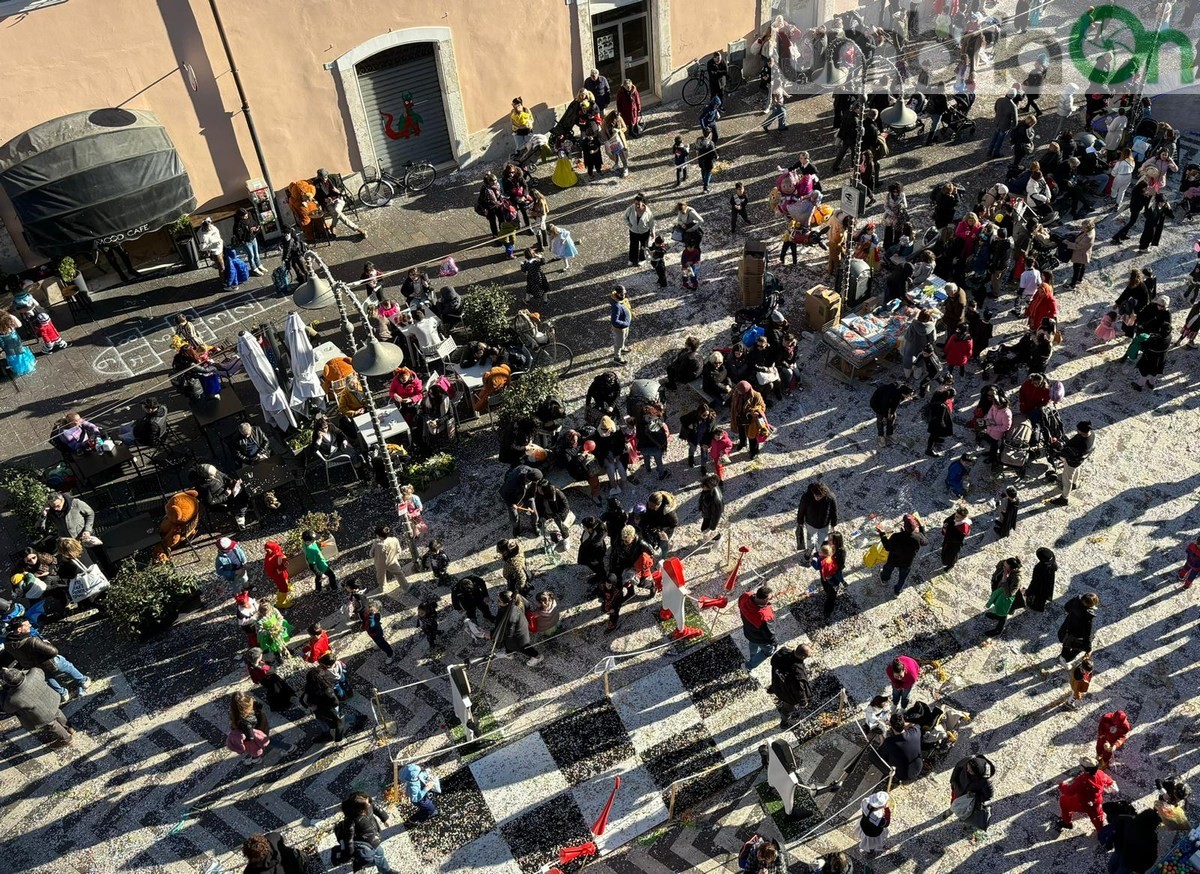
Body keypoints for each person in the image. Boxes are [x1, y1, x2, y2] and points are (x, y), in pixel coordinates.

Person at [4, 617, 90, 701]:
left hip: (34, 666)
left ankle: (63, 694)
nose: (30, 625)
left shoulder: (8, 644)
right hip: (49, 662)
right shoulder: (32, 641)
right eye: (27, 625)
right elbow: (53, 652)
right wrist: (46, 643)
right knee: (67, 666)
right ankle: (83, 681)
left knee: (48, 678)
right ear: (19, 629)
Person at [1, 666, 75, 747]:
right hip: (51, 699)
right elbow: (37, 672)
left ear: (9, 684)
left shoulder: (14, 698)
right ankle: (69, 728)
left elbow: (7, 709)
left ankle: (67, 739)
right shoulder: (35, 672)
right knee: (57, 712)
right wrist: (11, 672)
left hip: (42, 713)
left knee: (52, 724)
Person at [1057, 756, 1118, 832]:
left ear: (1086, 770)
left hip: (1082, 803)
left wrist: (1062, 785)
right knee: (1097, 816)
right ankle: (1101, 830)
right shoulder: (1100, 773)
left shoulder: (1082, 780)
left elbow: (1069, 792)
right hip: (1096, 801)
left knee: (1064, 801)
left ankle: (1066, 822)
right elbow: (1110, 782)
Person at [1048, 591, 1101, 672]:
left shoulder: (1075, 601)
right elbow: (1087, 634)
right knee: (1078, 647)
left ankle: (1063, 656)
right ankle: (1065, 659)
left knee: (1066, 642)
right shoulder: (1087, 617)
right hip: (1077, 635)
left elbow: (1066, 607)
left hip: (1067, 627)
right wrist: (1088, 648)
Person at [876, 514, 927, 595]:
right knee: (902, 578)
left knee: (887, 569)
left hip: (893, 559)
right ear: (915, 527)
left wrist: (882, 534)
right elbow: (925, 542)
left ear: (904, 526)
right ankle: (897, 591)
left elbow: (887, 547)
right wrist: (922, 527)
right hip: (907, 562)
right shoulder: (918, 537)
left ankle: (884, 580)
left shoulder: (896, 536)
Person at [1048, 420, 1095, 506]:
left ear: (1082, 431)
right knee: (1077, 469)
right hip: (1079, 461)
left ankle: (1064, 498)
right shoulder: (1092, 434)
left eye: (1078, 430)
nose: (1077, 431)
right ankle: (1075, 483)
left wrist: (1057, 448)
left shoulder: (1082, 443)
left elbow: (1068, 452)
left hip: (1072, 462)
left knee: (1066, 479)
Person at [302, 660, 344, 743]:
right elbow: (335, 702)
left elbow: (305, 699)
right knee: (334, 720)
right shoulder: (326, 687)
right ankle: (326, 734)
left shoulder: (309, 686)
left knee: (336, 720)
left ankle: (357, 719)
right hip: (326, 709)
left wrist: (312, 706)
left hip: (321, 710)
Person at [950, 754, 997, 830]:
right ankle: (952, 809)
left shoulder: (985, 782)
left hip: (967, 800)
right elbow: (957, 768)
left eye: (970, 771)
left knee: (966, 813)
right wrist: (953, 782)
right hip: (957, 790)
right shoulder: (969, 760)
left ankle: (968, 824)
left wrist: (975, 797)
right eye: (968, 767)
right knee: (953, 802)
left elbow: (988, 796)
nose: (967, 770)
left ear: (977, 774)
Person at [495, 590, 541, 666]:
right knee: (509, 644)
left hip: (518, 634)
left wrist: (494, 634)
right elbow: (528, 606)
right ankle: (508, 654)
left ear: (507, 603)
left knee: (523, 647)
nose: (497, 602)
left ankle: (537, 656)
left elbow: (509, 632)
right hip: (521, 626)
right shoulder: (517, 597)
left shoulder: (509, 615)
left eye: (499, 601)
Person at [314, 169, 365, 238]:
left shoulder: (333, 178)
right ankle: (357, 228)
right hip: (328, 204)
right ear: (319, 177)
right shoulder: (316, 184)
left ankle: (333, 226)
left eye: (325, 177)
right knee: (337, 213)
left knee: (337, 211)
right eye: (322, 178)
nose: (324, 179)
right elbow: (317, 197)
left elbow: (342, 187)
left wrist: (338, 191)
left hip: (338, 199)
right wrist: (325, 200)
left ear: (327, 175)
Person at [244, 647, 297, 712]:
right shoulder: (261, 666)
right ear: (257, 659)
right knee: (278, 690)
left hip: (263, 681)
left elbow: (253, 676)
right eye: (260, 656)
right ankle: (285, 703)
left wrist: (256, 681)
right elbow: (271, 670)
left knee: (273, 691)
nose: (262, 656)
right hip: (271, 679)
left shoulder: (250, 665)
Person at [228, 690, 271, 766]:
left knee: (255, 748)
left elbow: (251, 737)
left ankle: (256, 759)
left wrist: (241, 738)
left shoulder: (243, 721)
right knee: (269, 741)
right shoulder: (251, 703)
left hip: (258, 734)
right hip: (262, 727)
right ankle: (288, 747)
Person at [738, 586, 777, 670]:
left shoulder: (745, 596)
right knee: (768, 652)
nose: (771, 598)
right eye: (770, 598)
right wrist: (774, 643)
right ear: (765, 600)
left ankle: (753, 655)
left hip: (748, 631)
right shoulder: (764, 616)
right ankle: (749, 666)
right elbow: (769, 633)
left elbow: (739, 603)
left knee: (752, 642)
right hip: (760, 638)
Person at [795, 482, 839, 556]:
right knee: (810, 537)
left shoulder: (830, 497)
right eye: (815, 495)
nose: (817, 498)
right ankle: (810, 548)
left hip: (824, 524)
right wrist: (800, 521)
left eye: (819, 496)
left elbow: (834, 511)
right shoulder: (806, 497)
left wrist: (833, 524)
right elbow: (801, 509)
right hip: (810, 523)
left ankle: (820, 551)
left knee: (822, 539)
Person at [879, 710, 924, 781]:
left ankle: (893, 779)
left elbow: (880, 751)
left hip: (903, 775)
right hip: (919, 766)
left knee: (875, 756)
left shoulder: (889, 742)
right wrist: (901, 724)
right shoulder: (915, 732)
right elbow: (915, 725)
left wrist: (881, 736)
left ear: (891, 726)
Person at [870, 381, 914, 447]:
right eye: (908, 395)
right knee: (880, 419)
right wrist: (886, 415)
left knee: (892, 417)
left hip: (887, 403)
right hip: (877, 404)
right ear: (903, 393)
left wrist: (892, 413)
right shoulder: (889, 394)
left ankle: (889, 434)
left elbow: (895, 404)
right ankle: (881, 436)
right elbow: (885, 405)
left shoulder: (899, 392)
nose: (908, 397)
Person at [369, 525, 406, 590]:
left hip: (380, 564)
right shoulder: (394, 540)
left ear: (378, 535)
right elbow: (399, 550)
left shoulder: (376, 544)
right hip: (392, 561)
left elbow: (371, 554)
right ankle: (405, 586)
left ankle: (383, 588)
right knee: (399, 574)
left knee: (381, 577)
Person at [623, 195, 654, 267]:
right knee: (633, 246)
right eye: (635, 203)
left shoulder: (648, 211)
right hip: (633, 232)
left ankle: (642, 259)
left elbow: (651, 223)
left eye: (638, 204)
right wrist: (629, 224)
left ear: (643, 203)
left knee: (644, 246)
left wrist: (653, 232)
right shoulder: (630, 209)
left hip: (644, 232)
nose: (637, 205)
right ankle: (631, 259)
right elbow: (624, 217)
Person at [1025, 547, 1058, 611]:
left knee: (1039, 596)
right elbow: (1055, 568)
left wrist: (1029, 591)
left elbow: (1035, 581)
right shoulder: (1051, 562)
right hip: (1049, 581)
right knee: (1044, 594)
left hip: (1041, 585)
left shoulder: (1039, 568)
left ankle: (1036, 606)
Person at [940, 505, 972, 569]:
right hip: (948, 541)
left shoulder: (963, 528)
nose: (955, 518)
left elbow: (957, 538)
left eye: (957, 517)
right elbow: (948, 520)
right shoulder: (956, 516)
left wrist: (946, 530)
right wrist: (945, 525)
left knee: (952, 556)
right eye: (955, 515)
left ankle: (951, 565)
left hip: (954, 544)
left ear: (963, 518)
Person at [610, 285, 632, 363]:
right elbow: (614, 321)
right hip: (619, 329)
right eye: (621, 294)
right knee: (618, 343)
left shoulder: (621, 300)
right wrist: (625, 323)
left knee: (624, 337)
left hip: (625, 326)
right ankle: (617, 358)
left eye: (624, 293)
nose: (624, 295)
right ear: (617, 294)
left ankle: (622, 348)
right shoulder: (616, 306)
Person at [698, 473, 724, 540]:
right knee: (704, 529)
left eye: (704, 486)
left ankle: (717, 538)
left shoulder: (716, 500)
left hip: (709, 516)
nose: (702, 487)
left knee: (705, 529)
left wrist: (712, 527)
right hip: (706, 513)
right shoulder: (707, 491)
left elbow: (716, 515)